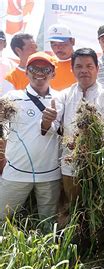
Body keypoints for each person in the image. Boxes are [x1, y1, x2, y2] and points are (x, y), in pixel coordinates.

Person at [54, 48, 104, 224]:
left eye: (89, 66)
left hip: (98, 167)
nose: (84, 70)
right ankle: (68, 247)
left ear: (97, 68)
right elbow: (54, 123)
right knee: (70, 209)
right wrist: (48, 121)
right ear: (72, 69)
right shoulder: (64, 95)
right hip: (70, 165)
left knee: (98, 212)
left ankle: (98, 249)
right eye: (79, 66)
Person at [0, 52, 61, 221]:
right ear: (26, 72)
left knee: (49, 226)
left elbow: (63, 131)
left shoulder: (61, 98)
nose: (40, 73)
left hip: (50, 174)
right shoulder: (11, 98)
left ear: (53, 73)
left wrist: (48, 123)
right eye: (34, 68)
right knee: (2, 220)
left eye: (46, 69)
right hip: (15, 173)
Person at [46, 24, 77, 91]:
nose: (58, 48)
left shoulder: (85, 63)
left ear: (73, 41)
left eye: (62, 43)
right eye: (54, 44)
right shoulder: (46, 65)